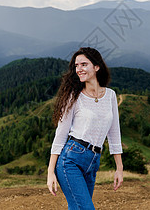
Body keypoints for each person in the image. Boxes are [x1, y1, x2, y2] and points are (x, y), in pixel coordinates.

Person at [47, 47, 123, 209]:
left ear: (96, 67)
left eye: (84, 64)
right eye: (76, 66)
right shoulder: (73, 97)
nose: (79, 69)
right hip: (70, 160)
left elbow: (114, 133)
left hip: (94, 161)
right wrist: (50, 171)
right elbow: (60, 135)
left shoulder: (110, 95)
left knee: (77, 208)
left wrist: (119, 168)